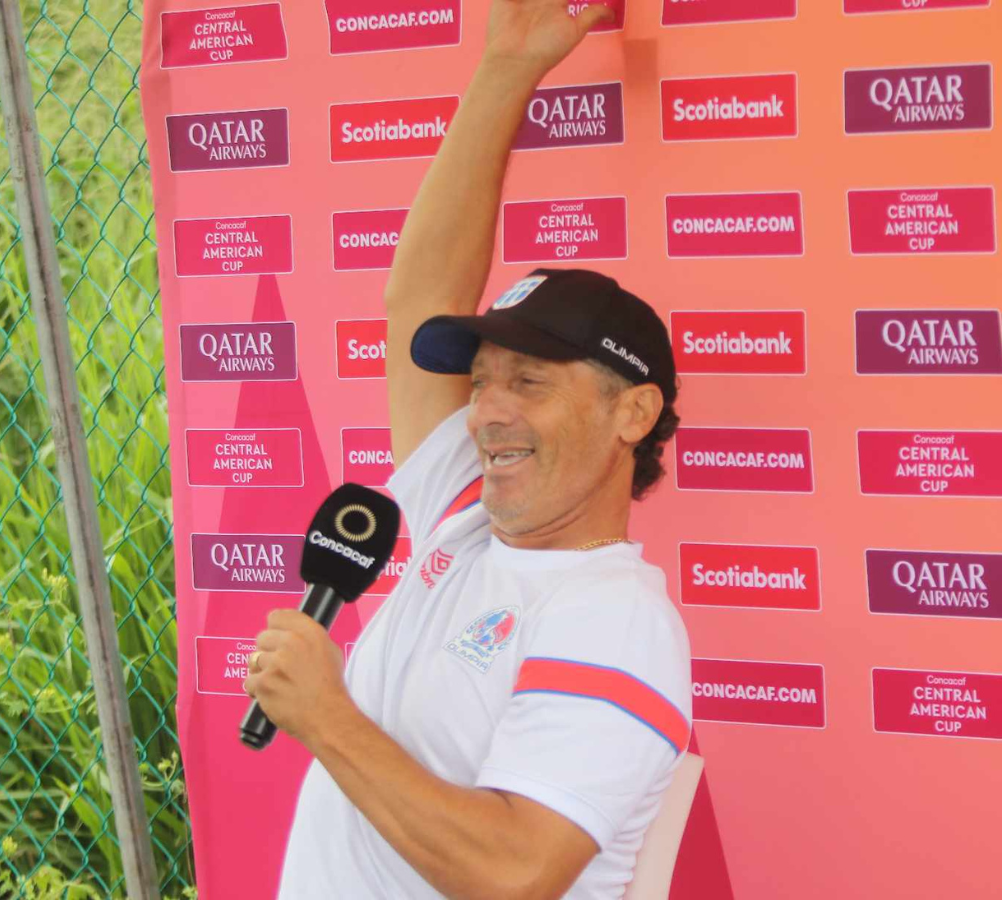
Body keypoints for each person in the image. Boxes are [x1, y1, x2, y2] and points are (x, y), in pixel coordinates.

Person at [242, 2, 692, 898]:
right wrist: (506, 68)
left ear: (632, 412)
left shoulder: (615, 620)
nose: (486, 412)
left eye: (529, 383)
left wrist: (326, 714)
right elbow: (418, 299)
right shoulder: (467, 510)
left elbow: (516, 873)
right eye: (481, 379)